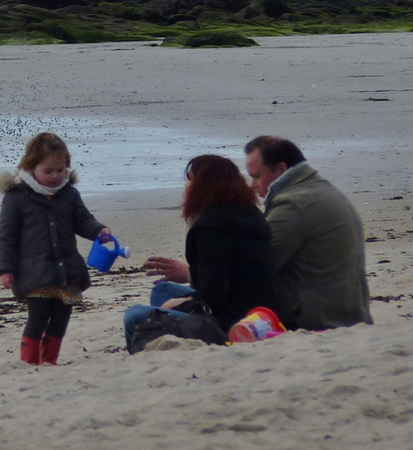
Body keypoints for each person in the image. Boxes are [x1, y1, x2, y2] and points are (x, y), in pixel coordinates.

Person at [128, 155, 278, 351]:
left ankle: (141, 355)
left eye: (190, 181)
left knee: (134, 316)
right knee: (162, 291)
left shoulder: (211, 228)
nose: (186, 188)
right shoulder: (248, 214)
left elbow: (214, 296)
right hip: (254, 307)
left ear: (203, 186)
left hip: (231, 320)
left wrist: (184, 304)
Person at [0, 132, 111, 366]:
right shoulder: (16, 197)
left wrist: (98, 230)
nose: (55, 176)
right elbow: (6, 237)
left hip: (67, 269)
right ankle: (30, 361)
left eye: (60, 170)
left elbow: (82, 219)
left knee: (61, 317)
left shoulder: (69, 193)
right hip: (34, 271)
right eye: (47, 171)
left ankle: (49, 360)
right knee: (38, 317)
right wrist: (5, 269)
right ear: (30, 167)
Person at [245, 136, 371, 330]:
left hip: (316, 317)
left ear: (281, 169)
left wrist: (190, 274)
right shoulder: (318, 189)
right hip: (347, 311)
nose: (252, 185)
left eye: (256, 176)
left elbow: (256, 268)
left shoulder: (294, 204)